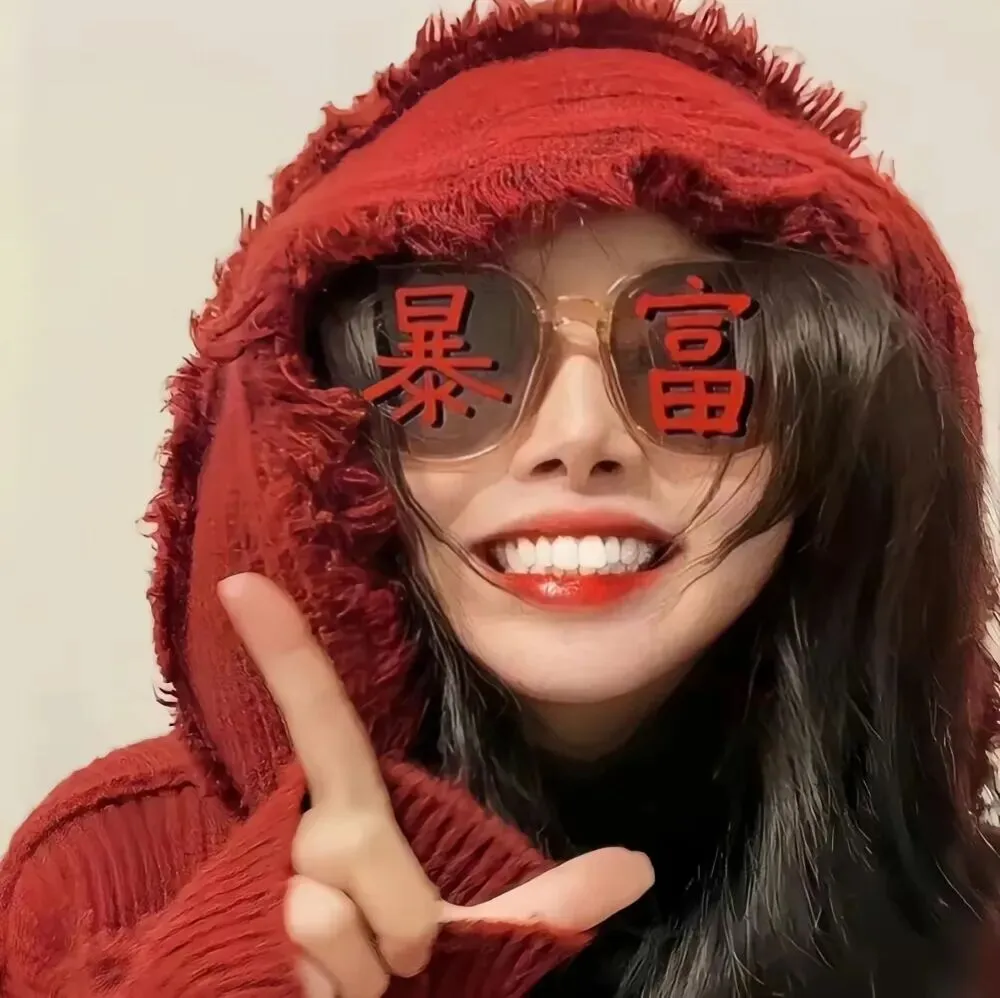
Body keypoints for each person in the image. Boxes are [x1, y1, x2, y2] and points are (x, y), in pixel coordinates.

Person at [2, 1, 998, 996]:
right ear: (325, 439)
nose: (579, 438)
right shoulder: (108, 878)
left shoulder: (966, 932)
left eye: (694, 357)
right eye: (461, 356)